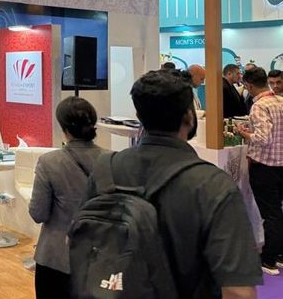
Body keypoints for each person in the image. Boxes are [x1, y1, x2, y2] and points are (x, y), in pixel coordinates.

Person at [88, 70, 261, 298]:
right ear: (189, 117)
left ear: (139, 117)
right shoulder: (214, 185)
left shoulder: (105, 168)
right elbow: (238, 291)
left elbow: (77, 240)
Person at [29, 97, 105, 299]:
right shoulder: (112, 160)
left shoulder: (49, 162)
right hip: (100, 257)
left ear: (64, 127)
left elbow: (38, 213)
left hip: (56, 258)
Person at [235, 67, 283, 275]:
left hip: (265, 166)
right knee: (278, 211)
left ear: (249, 85)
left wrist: (245, 134)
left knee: (271, 214)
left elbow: (263, 138)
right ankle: (279, 254)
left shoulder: (259, 106)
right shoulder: (280, 101)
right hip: (281, 164)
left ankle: (268, 259)